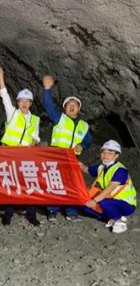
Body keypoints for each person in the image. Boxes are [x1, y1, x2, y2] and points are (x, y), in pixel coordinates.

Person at [0, 65, 41, 227]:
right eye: (22, 101)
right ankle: (8, 214)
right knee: (11, 183)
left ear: (31, 103)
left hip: (26, 156)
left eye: (27, 101)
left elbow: (35, 137)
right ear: (18, 102)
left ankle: (31, 214)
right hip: (9, 154)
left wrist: (31, 145)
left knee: (29, 184)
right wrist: (1, 75)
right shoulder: (12, 113)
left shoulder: (35, 119)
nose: (24, 103)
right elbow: (4, 94)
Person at [42, 75, 92, 222]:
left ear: (79, 108)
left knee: (71, 184)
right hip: (56, 155)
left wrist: (83, 145)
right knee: (55, 182)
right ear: (65, 109)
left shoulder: (84, 125)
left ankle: (71, 211)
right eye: (69, 104)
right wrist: (47, 89)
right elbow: (48, 106)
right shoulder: (59, 118)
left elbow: (88, 139)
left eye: (75, 104)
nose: (72, 105)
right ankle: (52, 210)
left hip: (72, 157)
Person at [80, 140, 136, 234]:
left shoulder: (120, 170)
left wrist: (94, 201)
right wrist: (76, 163)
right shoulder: (102, 167)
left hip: (126, 205)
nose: (105, 155)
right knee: (84, 206)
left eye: (110, 153)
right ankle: (112, 217)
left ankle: (119, 221)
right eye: (103, 152)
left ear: (116, 155)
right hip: (111, 200)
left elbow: (109, 189)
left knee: (102, 202)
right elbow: (86, 169)